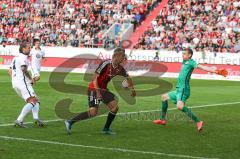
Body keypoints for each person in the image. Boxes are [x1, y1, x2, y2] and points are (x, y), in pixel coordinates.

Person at [153, 48, 228, 132]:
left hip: (183, 89)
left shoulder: (191, 62)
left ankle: (198, 121)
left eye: (184, 54)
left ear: (189, 55)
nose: (183, 55)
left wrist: (215, 71)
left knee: (180, 107)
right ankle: (162, 120)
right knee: (164, 97)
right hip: (179, 89)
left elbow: (201, 67)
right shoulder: (185, 62)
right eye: (183, 53)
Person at [64, 48, 136, 135]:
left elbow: (128, 78)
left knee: (115, 108)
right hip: (94, 90)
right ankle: (70, 121)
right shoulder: (106, 63)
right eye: (122, 56)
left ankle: (106, 129)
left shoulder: (120, 69)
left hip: (103, 91)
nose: (124, 58)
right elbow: (94, 78)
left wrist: (132, 89)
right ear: (116, 56)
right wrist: (98, 93)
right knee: (93, 112)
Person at [9, 42, 44, 128]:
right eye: (28, 48)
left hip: (15, 83)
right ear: (23, 49)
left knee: (36, 99)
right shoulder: (23, 58)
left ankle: (36, 118)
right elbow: (23, 69)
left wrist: (16, 79)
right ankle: (19, 120)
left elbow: (10, 71)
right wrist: (31, 79)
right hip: (23, 83)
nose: (30, 49)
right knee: (32, 101)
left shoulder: (15, 58)